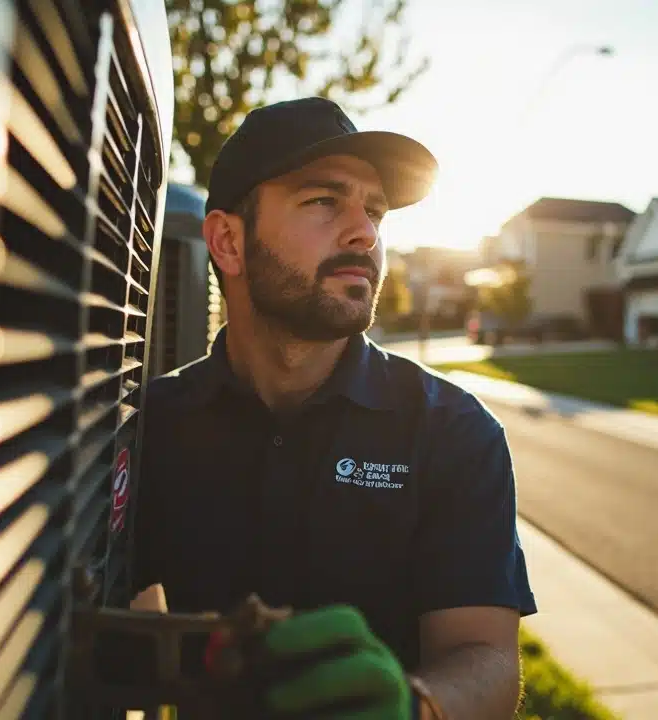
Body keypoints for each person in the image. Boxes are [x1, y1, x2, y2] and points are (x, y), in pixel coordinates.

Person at [128, 96, 536, 719]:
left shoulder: (455, 433)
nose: (365, 232)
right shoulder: (147, 428)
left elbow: (486, 657)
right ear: (228, 242)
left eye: (374, 211)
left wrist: (416, 705)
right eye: (324, 201)